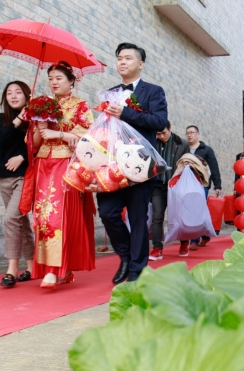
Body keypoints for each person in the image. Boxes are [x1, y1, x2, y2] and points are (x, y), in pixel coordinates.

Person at [94, 43, 168, 283]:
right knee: (107, 212)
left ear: (141, 63)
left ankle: (137, 271)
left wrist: (125, 113)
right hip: (112, 166)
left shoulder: (153, 92)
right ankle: (126, 256)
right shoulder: (110, 93)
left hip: (140, 165)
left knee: (138, 218)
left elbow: (159, 122)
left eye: (127, 58)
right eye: (119, 59)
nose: (122, 62)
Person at [30, 62, 95, 289]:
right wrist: (38, 127)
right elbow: (35, 143)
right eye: (51, 78)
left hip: (66, 163)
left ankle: (54, 269)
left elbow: (89, 135)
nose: (54, 82)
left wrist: (57, 132)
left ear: (71, 81)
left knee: (59, 214)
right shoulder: (43, 105)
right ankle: (58, 268)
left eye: (58, 78)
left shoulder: (80, 106)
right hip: (43, 163)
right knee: (42, 215)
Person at [0, 81, 34, 287]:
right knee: (21, 221)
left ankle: (11, 269)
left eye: (18, 92)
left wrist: (22, 157)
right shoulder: (2, 119)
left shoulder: (35, 120)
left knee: (11, 218)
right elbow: (1, 137)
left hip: (24, 176)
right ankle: (33, 265)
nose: (14, 96)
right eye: (9, 93)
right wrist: (18, 119)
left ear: (27, 95)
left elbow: (38, 146)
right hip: (4, 178)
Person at [148, 121, 186, 261]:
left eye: (164, 133)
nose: (162, 136)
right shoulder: (152, 143)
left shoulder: (182, 144)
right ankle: (157, 248)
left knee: (179, 217)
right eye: (158, 134)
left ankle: (184, 242)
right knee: (157, 216)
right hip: (158, 185)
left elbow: (189, 162)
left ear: (170, 128)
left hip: (176, 186)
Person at [183, 125, 221, 252]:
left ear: (198, 134)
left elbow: (214, 168)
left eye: (192, 132)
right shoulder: (184, 149)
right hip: (187, 184)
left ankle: (194, 240)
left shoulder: (206, 150)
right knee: (190, 211)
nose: (189, 135)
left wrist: (218, 185)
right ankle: (204, 235)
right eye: (187, 133)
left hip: (202, 184)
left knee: (197, 211)